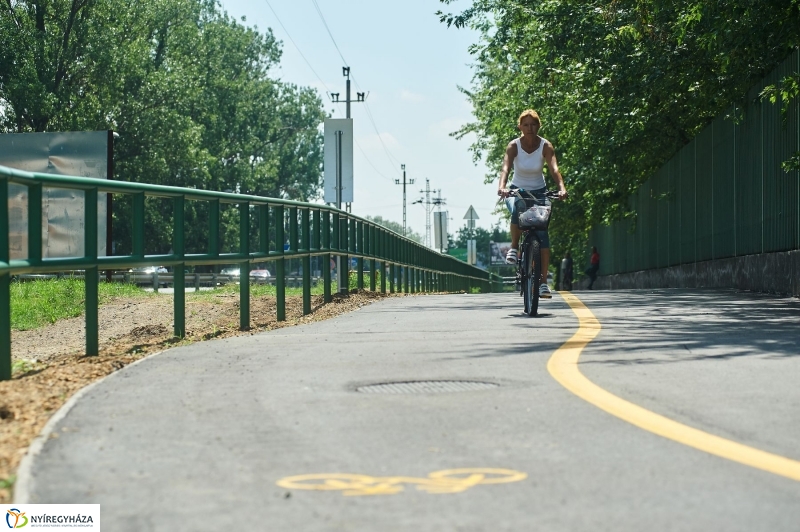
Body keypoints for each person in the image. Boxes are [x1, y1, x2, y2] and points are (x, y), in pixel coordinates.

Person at [497, 109, 568, 299]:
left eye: (533, 124)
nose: (529, 128)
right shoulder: (514, 146)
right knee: (518, 206)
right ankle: (514, 247)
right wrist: (502, 186)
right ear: (520, 126)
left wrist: (561, 188)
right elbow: (505, 168)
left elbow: (554, 169)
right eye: (525, 125)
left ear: (538, 126)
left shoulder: (545, 146)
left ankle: (543, 283)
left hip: (539, 192)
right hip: (516, 190)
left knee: (543, 235)